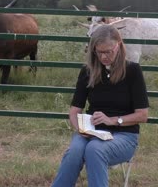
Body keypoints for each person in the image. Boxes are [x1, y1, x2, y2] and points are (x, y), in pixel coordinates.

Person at [51, 24, 149, 187]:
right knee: (75, 151)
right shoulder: (87, 71)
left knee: (95, 149)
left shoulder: (133, 71)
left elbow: (142, 115)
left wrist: (112, 120)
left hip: (124, 135)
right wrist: (81, 130)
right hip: (91, 132)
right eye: (99, 52)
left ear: (118, 45)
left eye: (108, 51)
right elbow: (75, 111)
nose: (103, 57)